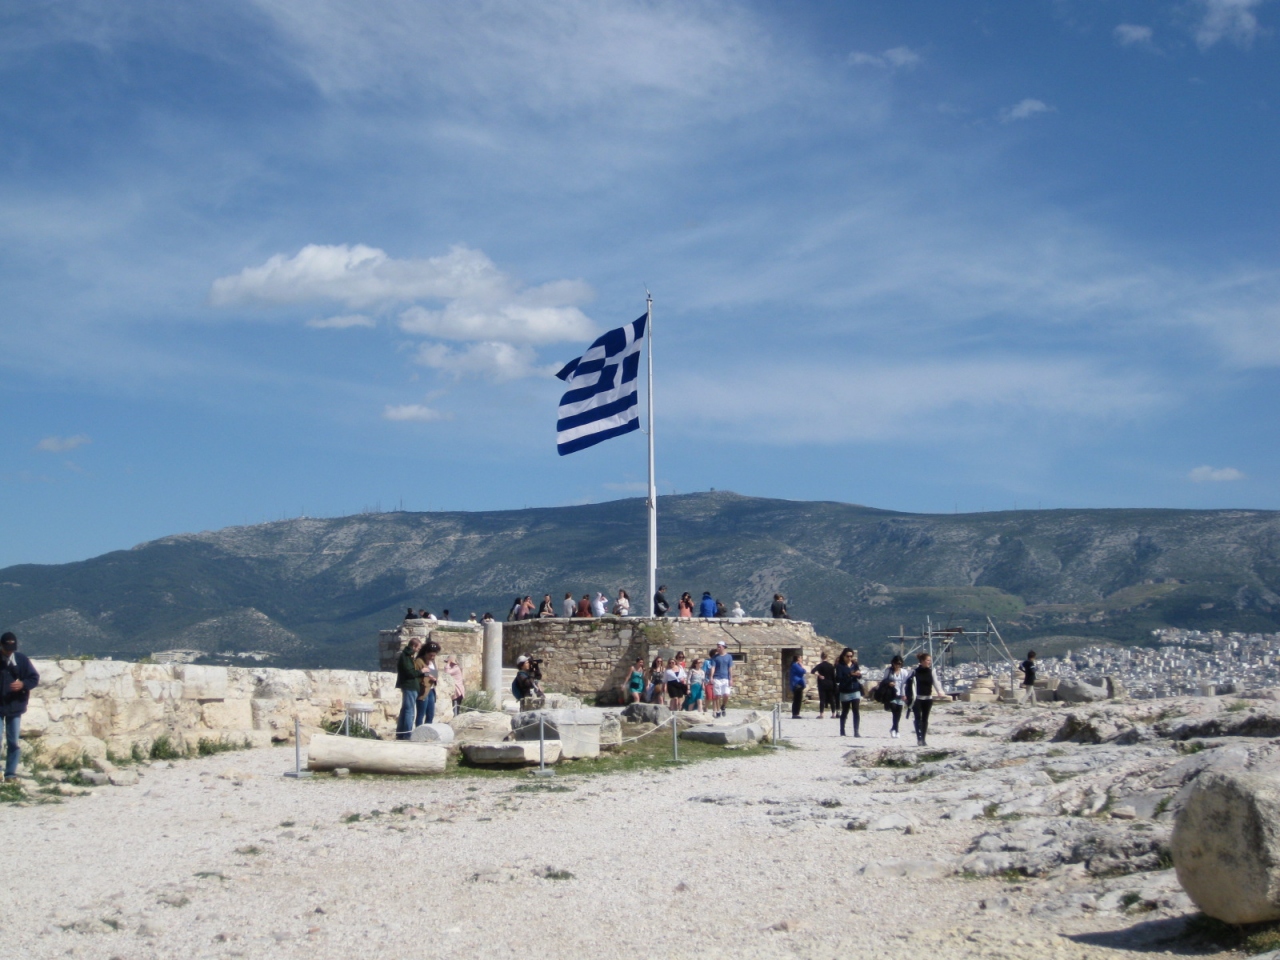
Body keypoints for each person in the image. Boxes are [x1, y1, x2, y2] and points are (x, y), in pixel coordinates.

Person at [1, 632, 39, 781]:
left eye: (11, 649)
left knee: (13, 742)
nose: (9, 652)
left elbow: (34, 678)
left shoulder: (21, 660)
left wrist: (23, 684)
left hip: (14, 706)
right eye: (6, 649)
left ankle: (10, 774)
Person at [394, 637, 425, 739]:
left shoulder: (408, 656)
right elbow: (410, 672)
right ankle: (407, 733)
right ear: (414, 646)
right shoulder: (406, 656)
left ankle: (400, 733)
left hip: (410, 686)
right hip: (409, 686)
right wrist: (421, 671)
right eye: (418, 647)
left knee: (405, 709)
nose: (419, 649)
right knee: (409, 711)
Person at [907, 652, 940, 747]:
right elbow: (905, 683)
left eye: (930, 660)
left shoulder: (931, 671)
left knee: (925, 719)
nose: (929, 662)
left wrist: (940, 691)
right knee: (918, 718)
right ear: (922, 661)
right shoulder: (914, 672)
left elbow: (936, 682)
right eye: (927, 660)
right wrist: (904, 695)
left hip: (928, 698)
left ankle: (923, 739)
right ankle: (919, 738)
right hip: (917, 698)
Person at [834, 648, 862, 737]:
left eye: (851, 656)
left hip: (855, 689)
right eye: (847, 656)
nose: (849, 658)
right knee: (845, 711)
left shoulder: (855, 664)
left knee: (856, 710)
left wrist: (858, 674)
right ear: (843, 656)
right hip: (845, 691)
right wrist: (849, 675)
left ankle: (856, 731)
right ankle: (842, 730)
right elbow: (838, 678)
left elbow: (859, 676)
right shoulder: (840, 666)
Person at [882, 655, 910, 739]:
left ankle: (894, 729)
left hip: (901, 694)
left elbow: (906, 684)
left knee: (899, 713)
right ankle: (896, 730)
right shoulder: (888, 671)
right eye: (896, 663)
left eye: (899, 664)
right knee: (894, 711)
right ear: (893, 663)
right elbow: (884, 681)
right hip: (891, 694)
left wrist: (906, 694)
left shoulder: (904, 672)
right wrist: (889, 683)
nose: (898, 665)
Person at [414, 640, 440, 727]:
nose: (432, 657)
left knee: (430, 714)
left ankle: (428, 730)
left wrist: (435, 678)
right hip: (423, 690)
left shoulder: (433, 662)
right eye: (430, 655)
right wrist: (427, 674)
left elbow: (435, 672)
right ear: (426, 653)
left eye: (434, 655)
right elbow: (416, 674)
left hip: (431, 689)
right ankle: (418, 731)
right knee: (421, 713)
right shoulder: (419, 661)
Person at [708, 641, 734, 717]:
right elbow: (713, 667)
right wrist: (711, 677)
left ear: (723, 647)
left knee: (726, 694)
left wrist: (731, 678)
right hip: (717, 677)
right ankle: (718, 710)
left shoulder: (729, 657)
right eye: (717, 647)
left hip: (725, 678)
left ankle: (723, 706)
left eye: (719, 647)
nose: (718, 648)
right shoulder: (715, 657)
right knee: (717, 695)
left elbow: (730, 668)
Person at [811, 650, 837, 719]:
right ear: (827, 657)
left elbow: (812, 671)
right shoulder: (831, 666)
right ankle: (833, 714)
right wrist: (835, 685)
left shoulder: (820, 665)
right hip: (830, 683)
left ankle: (821, 714)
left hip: (822, 684)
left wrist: (819, 675)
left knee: (822, 699)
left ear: (821, 657)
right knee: (831, 699)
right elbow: (833, 677)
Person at [788, 654, 807, 719]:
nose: (801, 659)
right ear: (798, 659)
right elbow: (803, 671)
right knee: (797, 699)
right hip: (797, 684)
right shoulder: (795, 665)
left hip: (798, 684)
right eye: (800, 658)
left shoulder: (795, 665)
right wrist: (802, 666)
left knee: (798, 699)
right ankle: (795, 713)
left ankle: (796, 713)